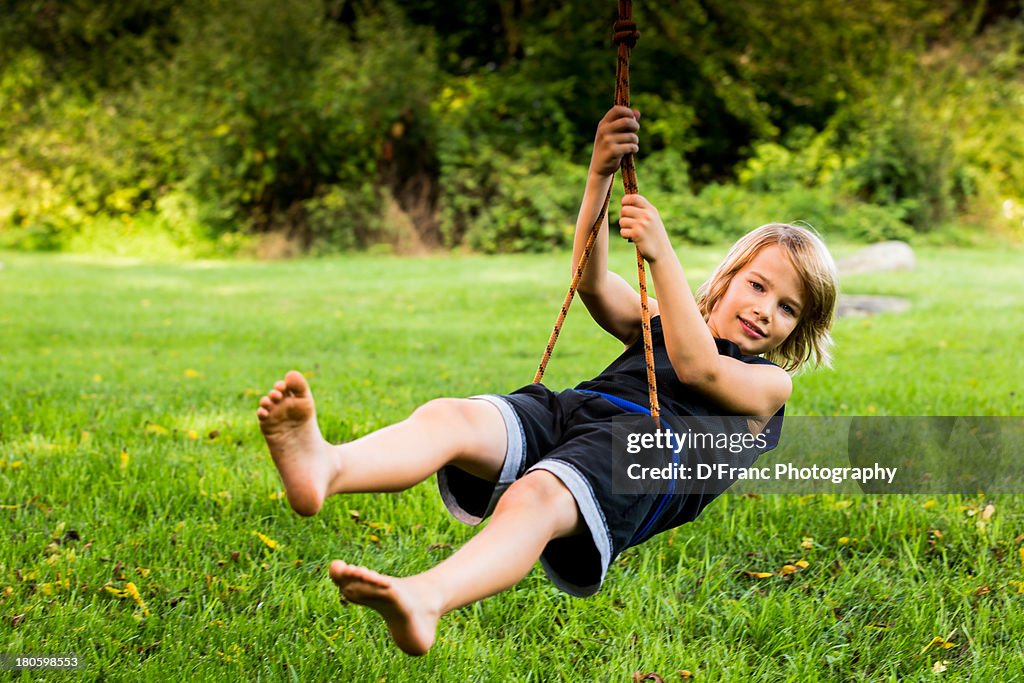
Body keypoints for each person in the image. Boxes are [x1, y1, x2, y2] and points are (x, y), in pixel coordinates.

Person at [255, 106, 838, 656]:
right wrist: (599, 175)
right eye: (758, 286)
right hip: (575, 412)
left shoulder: (768, 387)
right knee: (450, 417)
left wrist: (663, 256)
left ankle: (426, 596)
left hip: (643, 455)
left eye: (788, 308)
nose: (766, 310)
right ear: (728, 278)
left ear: (797, 331)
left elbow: (699, 367)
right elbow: (590, 280)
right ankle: (327, 467)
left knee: (534, 497)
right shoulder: (659, 321)